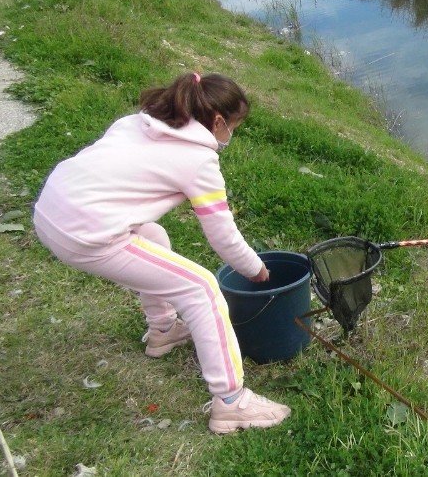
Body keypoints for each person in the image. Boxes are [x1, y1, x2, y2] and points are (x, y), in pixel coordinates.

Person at [33, 72, 290, 434]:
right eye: (234, 126)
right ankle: (232, 403)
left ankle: (163, 331)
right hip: (85, 234)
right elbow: (223, 236)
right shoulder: (198, 160)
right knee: (201, 288)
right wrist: (255, 268)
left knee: (152, 235)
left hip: (51, 211)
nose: (231, 135)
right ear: (218, 122)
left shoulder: (137, 124)